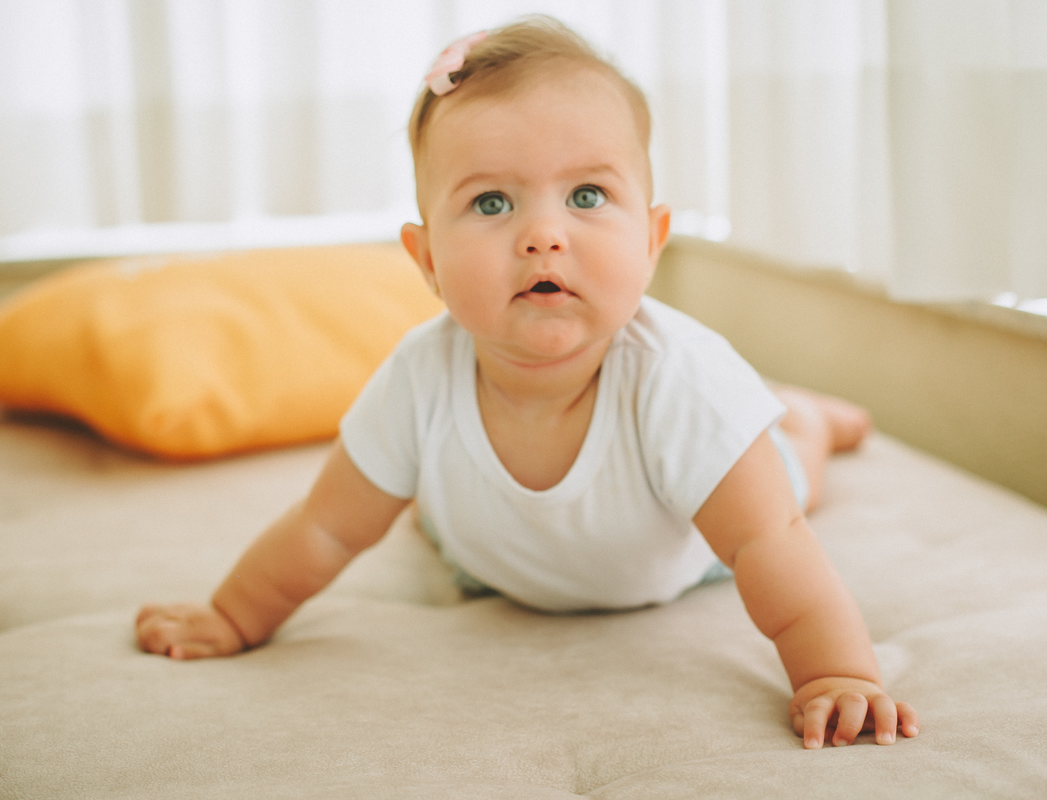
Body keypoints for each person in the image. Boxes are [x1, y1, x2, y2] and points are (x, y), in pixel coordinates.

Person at [136, 16, 919, 751]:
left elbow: (768, 543)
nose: (544, 234)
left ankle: (803, 421)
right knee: (423, 506)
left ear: (651, 242)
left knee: (782, 487)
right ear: (428, 261)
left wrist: (836, 673)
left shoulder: (679, 378)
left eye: (587, 196)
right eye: (490, 202)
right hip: (488, 559)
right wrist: (232, 616)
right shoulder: (419, 376)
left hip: (680, 550)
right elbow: (327, 527)